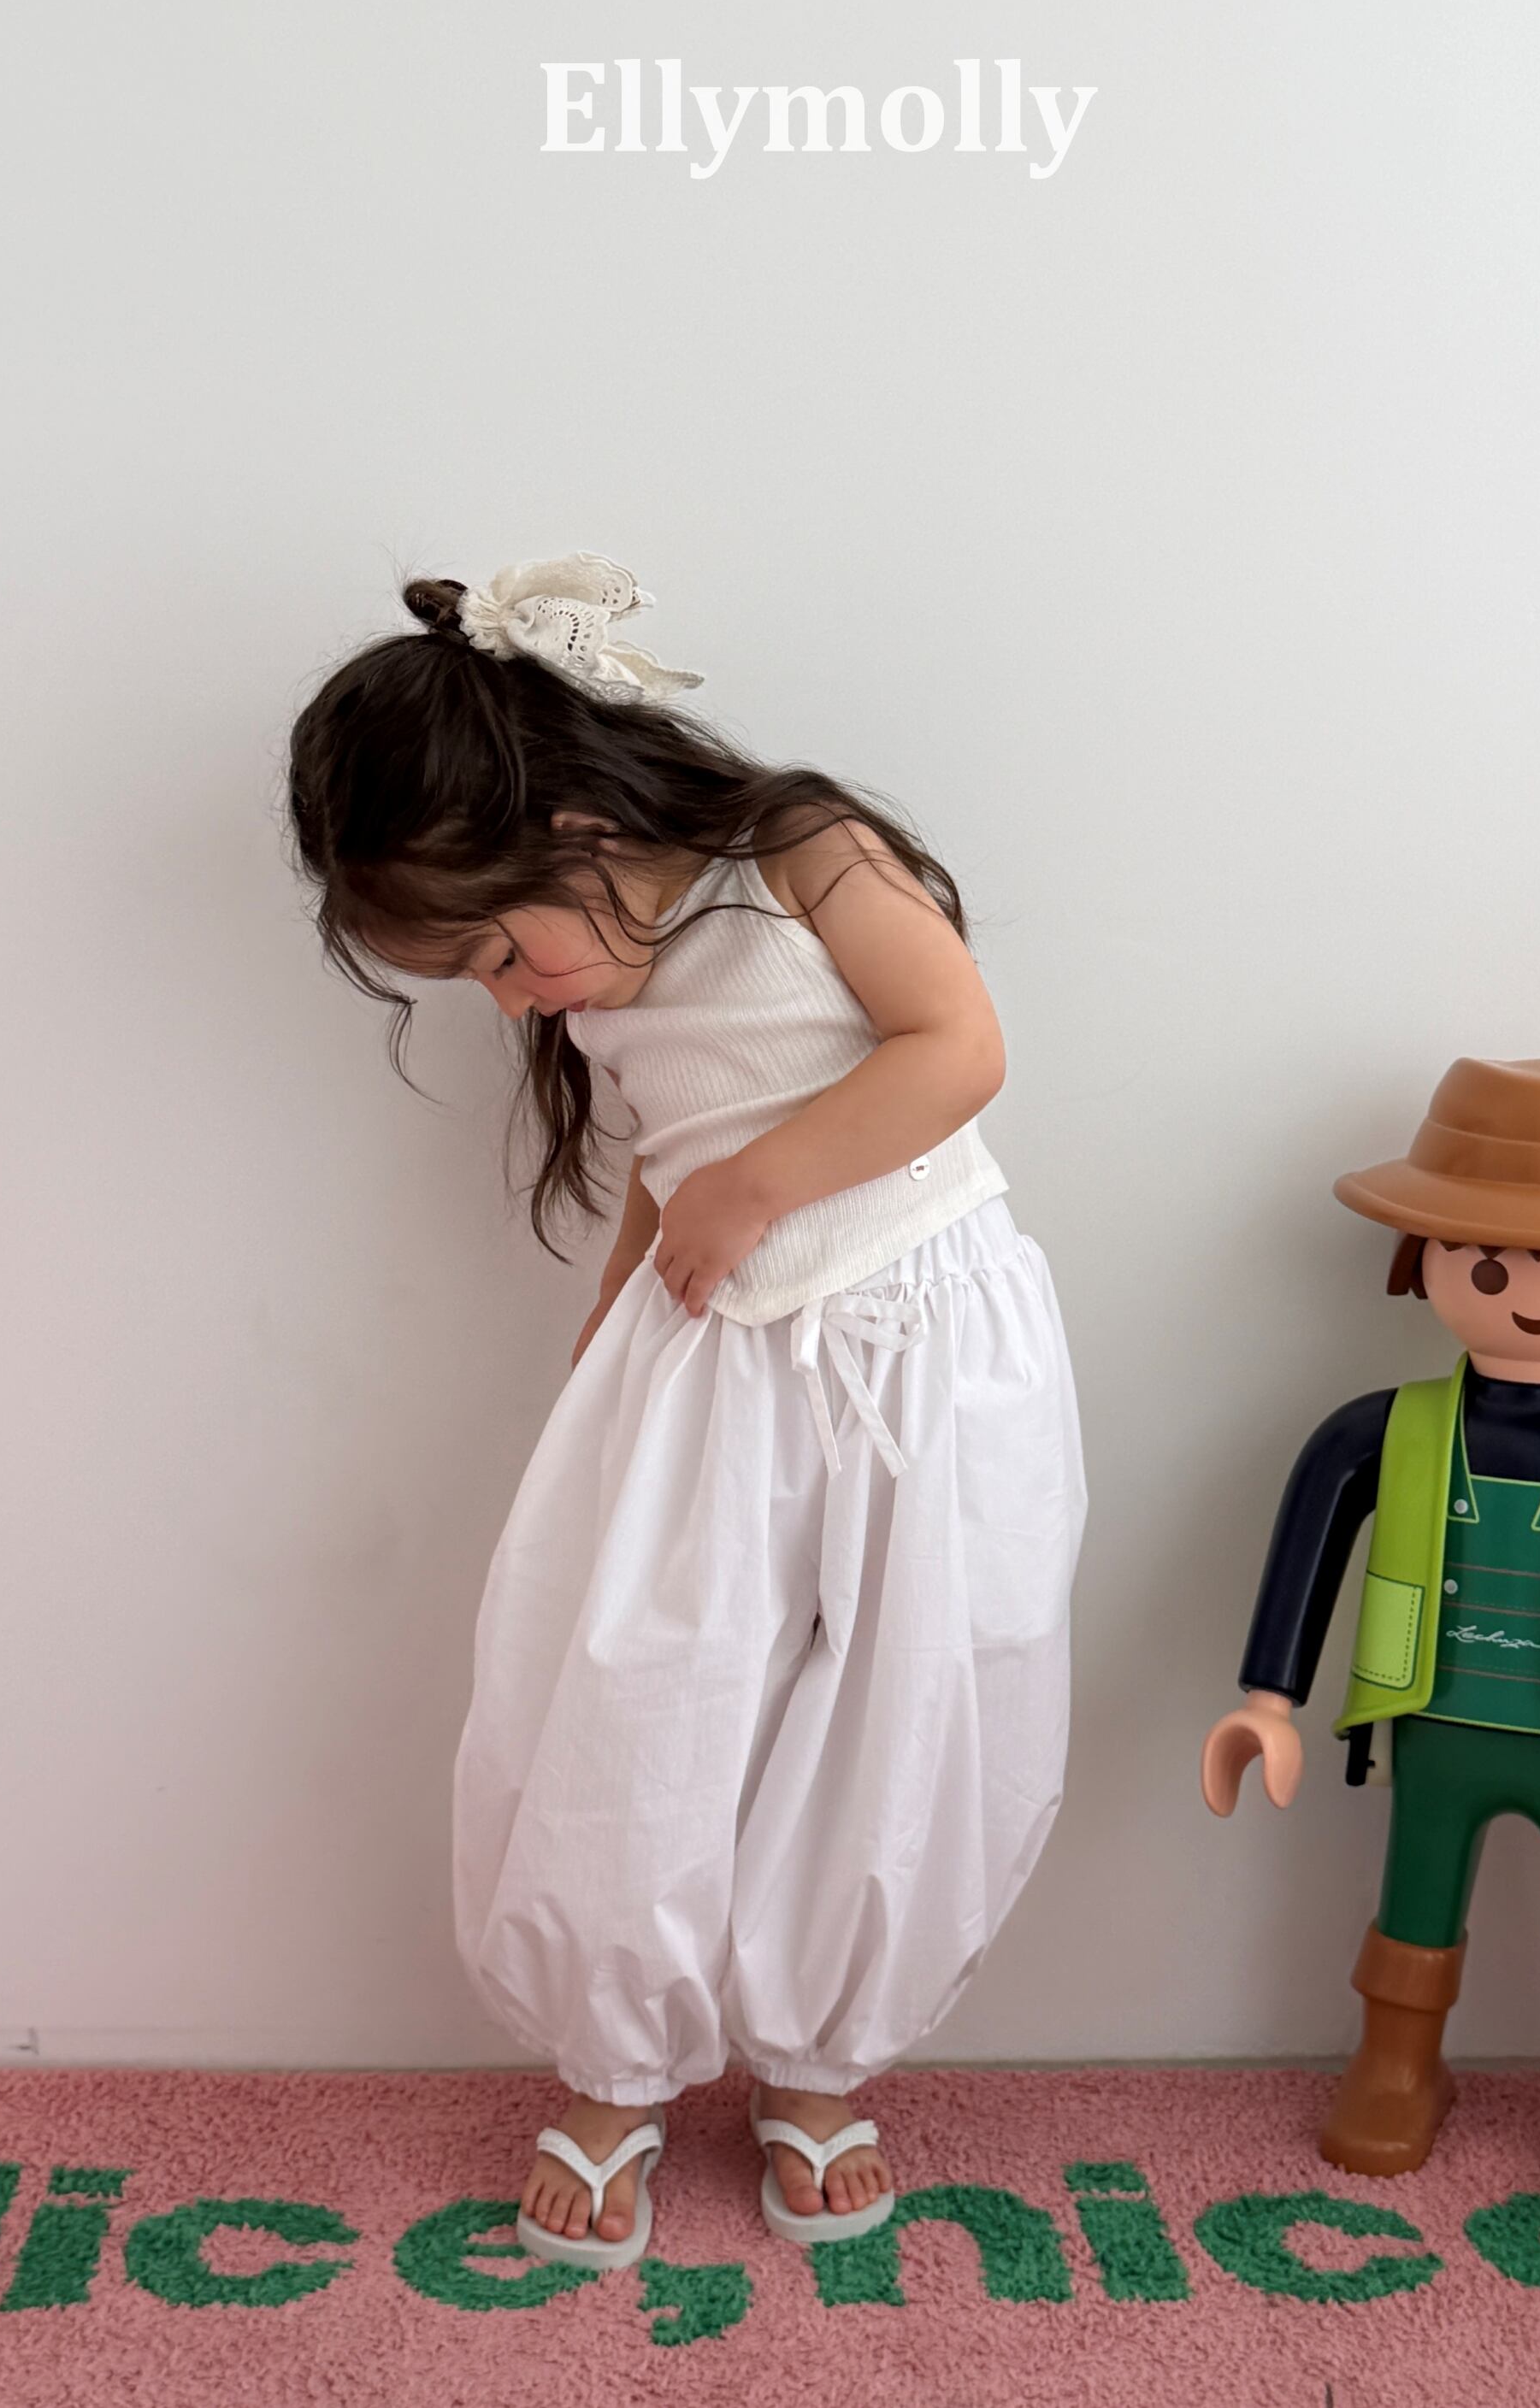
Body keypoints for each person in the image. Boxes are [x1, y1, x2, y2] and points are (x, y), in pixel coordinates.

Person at [286, 552, 1086, 2267]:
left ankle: (817, 2054)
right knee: (644, 1689)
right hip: (718, 1354)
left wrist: (755, 1187)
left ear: (575, 828)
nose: (513, 1000)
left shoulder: (804, 854)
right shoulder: (604, 980)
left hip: (928, 1340)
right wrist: (613, 1329)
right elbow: (671, 1161)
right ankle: (616, 2065)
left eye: (501, 953)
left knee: (915, 1686)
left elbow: (955, 1045)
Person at [1201, 1057, 1540, 2219]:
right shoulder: (1383, 1431)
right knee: (1413, 1900)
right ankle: (1397, 2067)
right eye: (1492, 1265)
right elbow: (1310, 1540)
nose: (1534, 1296)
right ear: (1425, 1260)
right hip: (1435, 1723)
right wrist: (1267, 1700)